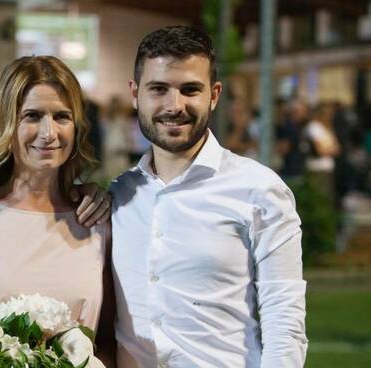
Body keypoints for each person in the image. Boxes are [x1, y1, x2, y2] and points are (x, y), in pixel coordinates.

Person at [111, 26, 307, 367]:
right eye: (158, 89)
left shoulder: (259, 189)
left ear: (214, 95)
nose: (175, 106)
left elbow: (285, 322)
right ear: (135, 93)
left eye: (190, 90)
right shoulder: (119, 194)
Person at [0, 55, 115, 366]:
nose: (49, 132)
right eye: (32, 116)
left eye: (62, 116)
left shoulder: (97, 220)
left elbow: (110, 340)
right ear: (7, 122)